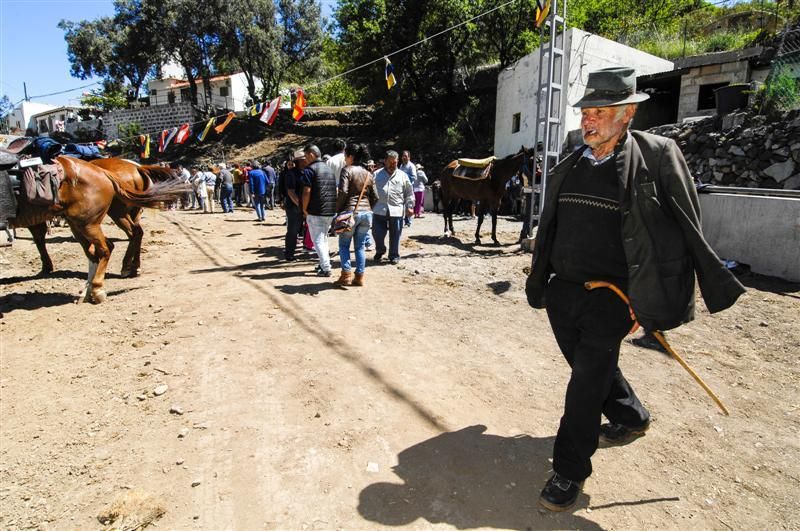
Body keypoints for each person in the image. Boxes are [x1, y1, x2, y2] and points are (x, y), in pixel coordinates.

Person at [524, 67, 746, 512]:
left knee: (585, 383)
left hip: (615, 295)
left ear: (627, 114)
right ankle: (631, 414)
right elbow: (550, 226)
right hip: (563, 291)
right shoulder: (570, 163)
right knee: (593, 368)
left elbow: (685, 225)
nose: (589, 120)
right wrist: (543, 279)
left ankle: (569, 471)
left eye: (600, 111)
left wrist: (661, 296)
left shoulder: (658, 154)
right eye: (587, 111)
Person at [334, 143, 379, 287]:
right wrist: (368, 208)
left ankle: (345, 275)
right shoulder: (368, 174)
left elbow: (343, 192)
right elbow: (376, 197)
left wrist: (337, 209)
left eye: (346, 156)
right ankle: (359, 277)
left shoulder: (347, 170)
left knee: (344, 245)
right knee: (359, 246)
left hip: (350, 213)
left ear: (351, 156)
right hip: (367, 214)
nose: (345, 159)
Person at [372, 150, 414, 265]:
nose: (392, 165)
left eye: (395, 163)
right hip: (379, 209)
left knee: (395, 235)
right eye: (390, 162)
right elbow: (369, 191)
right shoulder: (376, 174)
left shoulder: (403, 176)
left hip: (396, 210)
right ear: (385, 161)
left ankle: (394, 255)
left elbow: (409, 193)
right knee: (377, 234)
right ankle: (380, 250)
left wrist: (409, 206)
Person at [301, 144, 337, 276]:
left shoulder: (310, 170)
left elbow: (306, 191)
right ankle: (323, 264)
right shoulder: (329, 169)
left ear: (311, 154)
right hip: (330, 210)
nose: (304, 159)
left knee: (317, 240)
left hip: (316, 210)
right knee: (324, 238)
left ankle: (326, 267)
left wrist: (304, 208)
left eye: (305, 156)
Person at [282, 150, 308, 261]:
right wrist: (301, 205)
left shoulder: (307, 171)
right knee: (293, 230)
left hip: (305, 206)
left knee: (305, 230)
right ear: (299, 161)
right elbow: (291, 192)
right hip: (294, 207)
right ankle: (289, 253)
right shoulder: (291, 173)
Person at [398, 150, 417, 227]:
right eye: (403, 156)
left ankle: (408, 221)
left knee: (409, 204)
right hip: (401, 188)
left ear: (409, 157)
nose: (404, 157)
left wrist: (404, 176)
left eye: (406, 156)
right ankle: (403, 221)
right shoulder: (401, 166)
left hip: (408, 188)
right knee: (402, 204)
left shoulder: (411, 166)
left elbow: (414, 177)